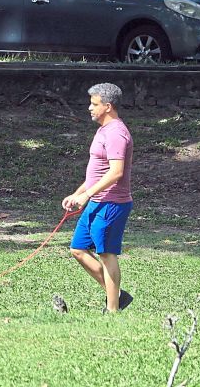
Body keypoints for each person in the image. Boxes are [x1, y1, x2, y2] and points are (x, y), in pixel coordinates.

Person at [63, 82, 134, 313]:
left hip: (112, 202)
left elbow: (116, 172)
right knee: (78, 248)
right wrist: (78, 193)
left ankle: (112, 311)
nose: (89, 108)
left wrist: (87, 196)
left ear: (108, 106)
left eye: (94, 104)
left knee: (106, 254)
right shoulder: (103, 130)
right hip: (96, 200)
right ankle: (118, 296)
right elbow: (98, 172)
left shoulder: (117, 134)